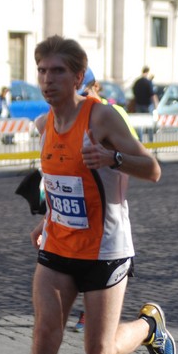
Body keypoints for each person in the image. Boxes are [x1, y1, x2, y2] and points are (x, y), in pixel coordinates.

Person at [13, 35, 176, 354]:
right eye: (42, 71)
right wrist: (46, 221)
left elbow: (153, 170)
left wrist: (112, 157)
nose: (48, 80)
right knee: (45, 336)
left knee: (98, 351)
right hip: (57, 247)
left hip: (105, 250)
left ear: (78, 76)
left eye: (58, 71)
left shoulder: (100, 116)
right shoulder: (44, 123)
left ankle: (149, 325)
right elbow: (59, 183)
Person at [75, 70, 139, 333]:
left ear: (97, 87)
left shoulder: (115, 116)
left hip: (107, 208)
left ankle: (92, 313)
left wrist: (112, 158)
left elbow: (138, 159)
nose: (82, 100)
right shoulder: (73, 116)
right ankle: (88, 311)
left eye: (86, 94)